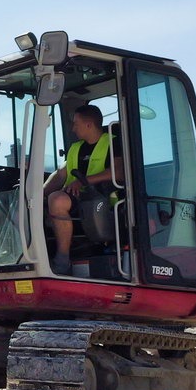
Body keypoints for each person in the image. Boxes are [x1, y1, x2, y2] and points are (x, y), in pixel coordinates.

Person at [43, 105, 117, 275]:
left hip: (100, 196)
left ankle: (62, 259)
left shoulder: (113, 142)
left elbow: (118, 171)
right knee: (39, 202)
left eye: (76, 123)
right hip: (76, 196)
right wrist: (37, 193)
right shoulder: (76, 148)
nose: (73, 128)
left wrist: (83, 181)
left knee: (57, 200)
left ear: (89, 125)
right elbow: (61, 175)